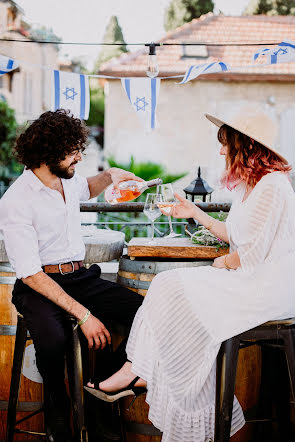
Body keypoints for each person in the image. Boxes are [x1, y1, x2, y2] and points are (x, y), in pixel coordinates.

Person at [85, 106, 295, 442]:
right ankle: (139, 372)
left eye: (226, 142)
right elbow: (236, 235)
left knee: (174, 286)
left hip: (267, 287)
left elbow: (249, 256)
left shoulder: (273, 187)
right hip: (250, 279)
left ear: (246, 146)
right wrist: (195, 212)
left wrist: (219, 264)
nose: (221, 149)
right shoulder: (250, 186)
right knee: (170, 286)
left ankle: (139, 371)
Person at [0, 109, 143, 441]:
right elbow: (31, 273)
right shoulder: (17, 200)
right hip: (37, 285)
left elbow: (86, 188)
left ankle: (101, 391)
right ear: (48, 153)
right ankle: (57, 405)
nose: (79, 156)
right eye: (72, 151)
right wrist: (85, 315)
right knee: (53, 340)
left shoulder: (67, 178)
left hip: (80, 278)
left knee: (144, 312)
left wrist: (111, 176)